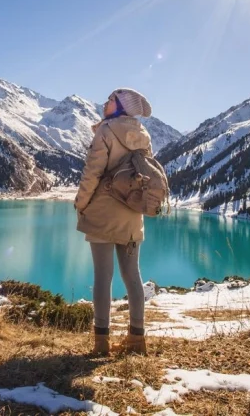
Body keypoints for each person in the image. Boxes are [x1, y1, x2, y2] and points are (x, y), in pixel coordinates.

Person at [74, 87, 154, 356]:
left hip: (103, 214)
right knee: (133, 276)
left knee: (102, 277)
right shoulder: (143, 135)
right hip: (132, 215)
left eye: (110, 99)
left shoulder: (105, 131)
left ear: (120, 106)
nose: (105, 102)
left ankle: (101, 343)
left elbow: (92, 174)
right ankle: (137, 339)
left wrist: (81, 203)